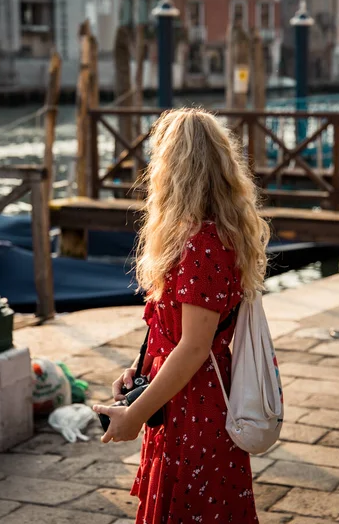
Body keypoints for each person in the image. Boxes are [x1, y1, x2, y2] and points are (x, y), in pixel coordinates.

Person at [93, 108, 270, 523]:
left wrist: (134, 415)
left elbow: (193, 347)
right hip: (180, 398)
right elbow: (171, 332)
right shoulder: (203, 236)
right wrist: (138, 368)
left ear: (171, 170)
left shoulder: (201, 244)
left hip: (195, 408)